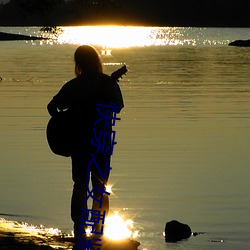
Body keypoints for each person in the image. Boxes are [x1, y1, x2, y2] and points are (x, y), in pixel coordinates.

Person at [47, 45, 124, 242]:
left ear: (79, 63)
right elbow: (117, 107)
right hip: (101, 142)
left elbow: (51, 106)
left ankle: (79, 229)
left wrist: (63, 121)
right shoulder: (108, 83)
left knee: (79, 184)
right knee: (100, 187)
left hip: (78, 143)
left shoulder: (74, 85)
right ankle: (99, 231)